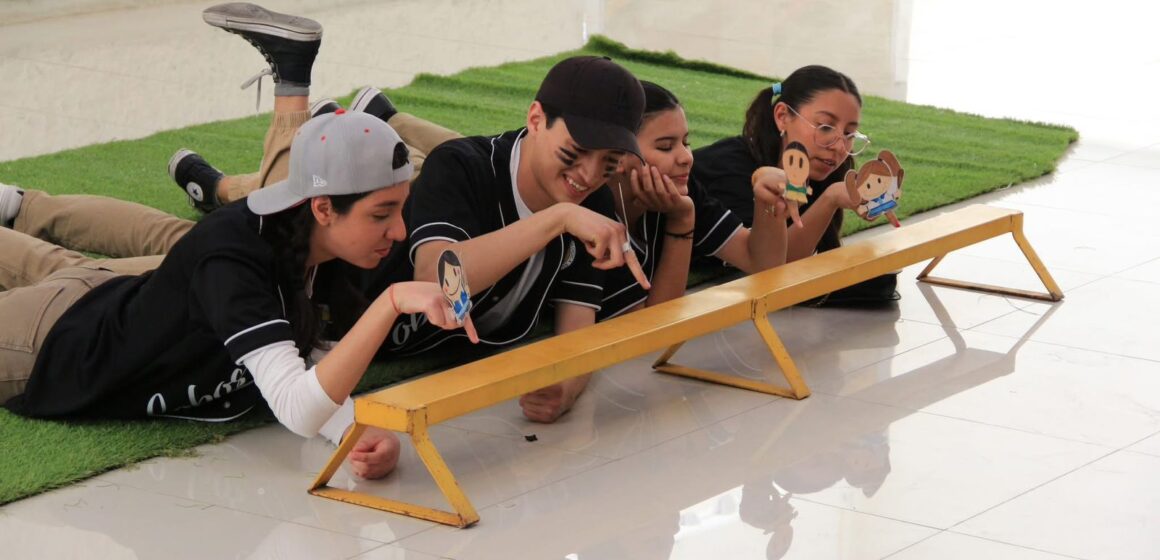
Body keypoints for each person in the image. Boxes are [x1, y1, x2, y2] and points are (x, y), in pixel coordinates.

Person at [1, 110, 474, 480]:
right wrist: (390, 302)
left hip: (102, 293)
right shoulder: (235, 259)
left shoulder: (327, 246)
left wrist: (358, 429)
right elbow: (297, 407)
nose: (400, 231)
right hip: (44, 347)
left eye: (400, 210)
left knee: (56, 269)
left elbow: (313, 369)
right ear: (323, 208)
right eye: (381, 214)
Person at [598, 81, 791, 320]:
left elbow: (764, 266)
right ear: (617, 156)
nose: (686, 157)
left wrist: (766, 202)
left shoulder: (680, 189)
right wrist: (682, 221)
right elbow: (654, 325)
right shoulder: (595, 212)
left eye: (686, 142)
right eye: (666, 147)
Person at [693, 65, 871, 263]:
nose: (839, 146)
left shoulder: (817, 171)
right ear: (782, 117)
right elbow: (769, 264)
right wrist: (830, 200)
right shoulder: (730, 170)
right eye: (825, 126)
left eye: (849, 134)